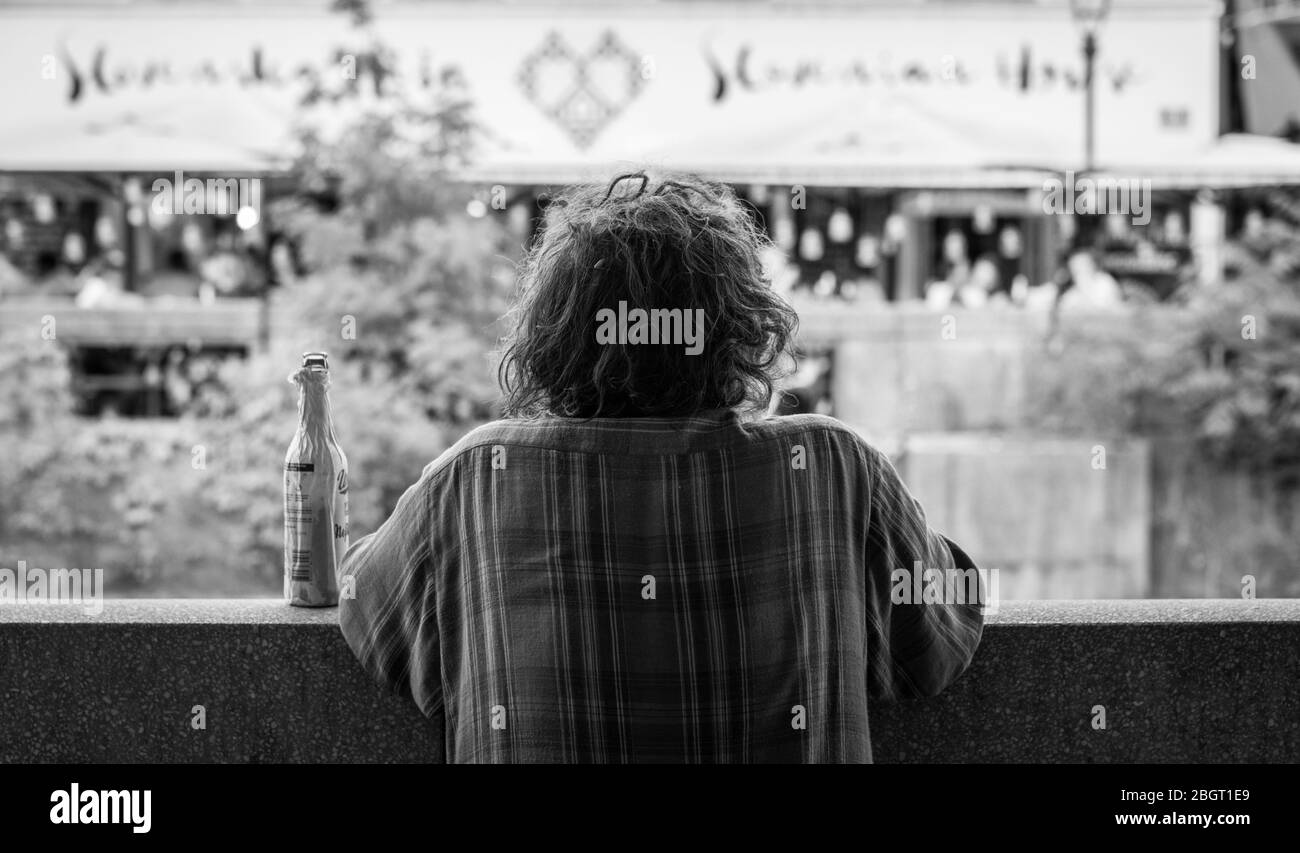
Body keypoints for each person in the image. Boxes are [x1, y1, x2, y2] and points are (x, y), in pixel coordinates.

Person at [338, 171, 985, 763]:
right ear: (742, 328)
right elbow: (937, 643)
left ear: (552, 334)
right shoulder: (830, 467)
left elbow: (367, 613)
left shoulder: (477, 478)